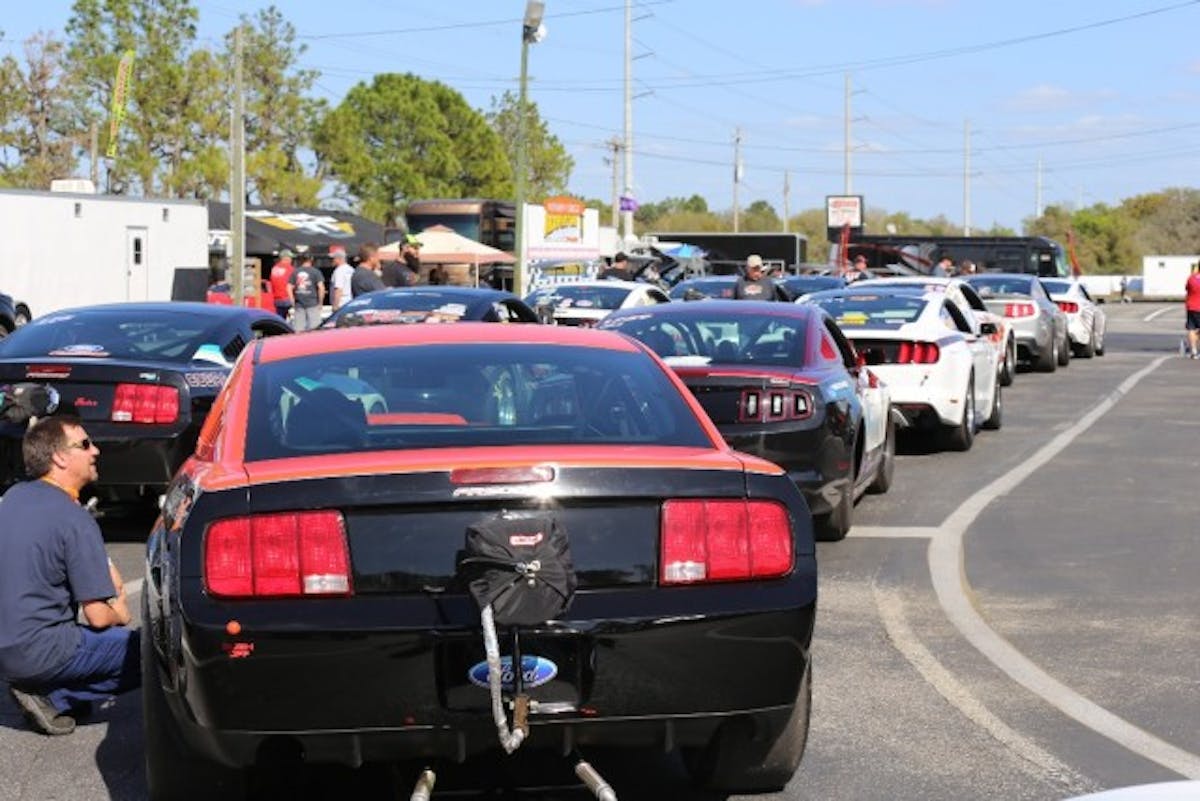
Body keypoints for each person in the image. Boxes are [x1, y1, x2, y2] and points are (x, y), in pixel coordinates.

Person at [0, 416, 139, 736]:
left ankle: (51, 689)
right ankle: (54, 696)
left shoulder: (14, 497)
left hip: (7, 645)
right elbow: (98, 617)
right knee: (153, 654)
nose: (96, 451)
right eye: (85, 445)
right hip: (39, 650)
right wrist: (119, 609)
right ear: (59, 458)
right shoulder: (73, 518)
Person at [287, 254, 326, 332]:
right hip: (312, 304)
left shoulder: (295, 272)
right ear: (311, 260)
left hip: (299, 304)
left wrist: (292, 301)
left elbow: (288, 287)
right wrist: (320, 303)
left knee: (298, 330)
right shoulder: (316, 272)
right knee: (315, 330)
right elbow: (321, 288)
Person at [268, 249, 296, 320]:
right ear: (286, 258)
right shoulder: (290, 269)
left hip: (276, 298)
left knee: (280, 318)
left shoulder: (274, 268)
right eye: (290, 258)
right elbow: (294, 283)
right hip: (287, 298)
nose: (291, 260)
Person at [329, 245, 354, 311]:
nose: (331, 260)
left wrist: (335, 305)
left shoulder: (339, 271)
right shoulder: (351, 269)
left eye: (333, 258)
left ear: (339, 259)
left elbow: (338, 289)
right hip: (350, 301)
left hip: (341, 304)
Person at [1185, 263, 1200, 359]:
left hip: (1191, 307)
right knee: (1194, 330)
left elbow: (1187, 288)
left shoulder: (1191, 278)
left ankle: (1193, 351)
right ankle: (1193, 345)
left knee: (1191, 328)